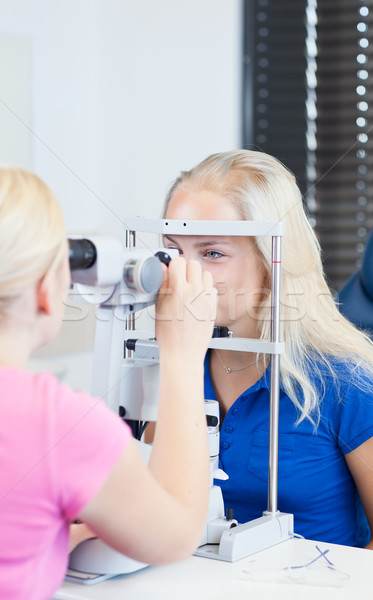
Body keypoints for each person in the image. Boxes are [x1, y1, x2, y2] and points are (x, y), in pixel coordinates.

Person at [161, 149, 373, 553]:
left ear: (271, 262)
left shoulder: (347, 382)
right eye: (173, 251)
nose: (182, 275)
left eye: (212, 253)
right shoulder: (169, 362)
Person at [0, 167, 216, 599]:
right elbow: (175, 535)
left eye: (211, 253)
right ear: (47, 287)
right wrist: (183, 354)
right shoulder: (58, 423)